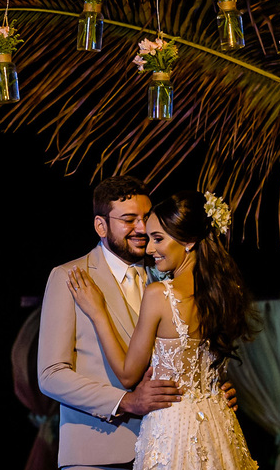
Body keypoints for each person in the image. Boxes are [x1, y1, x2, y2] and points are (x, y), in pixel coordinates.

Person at [67, 190, 258, 470]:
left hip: (174, 429)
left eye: (158, 239)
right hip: (219, 425)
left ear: (189, 241)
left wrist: (97, 312)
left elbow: (128, 373)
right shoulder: (225, 294)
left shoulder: (160, 294)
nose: (149, 249)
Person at [38, 176, 184, 470]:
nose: (142, 229)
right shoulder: (69, 276)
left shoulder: (164, 277)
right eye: (129, 219)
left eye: (146, 218)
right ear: (101, 226)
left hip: (166, 448)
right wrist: (125, 401)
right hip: (96, 453)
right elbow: (51, 375)